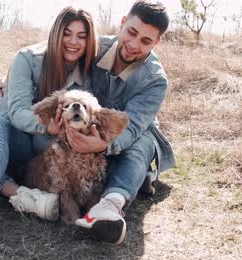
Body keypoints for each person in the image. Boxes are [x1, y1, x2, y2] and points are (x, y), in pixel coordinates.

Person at [0, 7, 98, 239]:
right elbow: (17, 112)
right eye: (67, 33)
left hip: (27, 151)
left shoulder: (86, 77)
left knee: (2, 125)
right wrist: (45, 126)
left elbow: (115, 41)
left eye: (82, 36)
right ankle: (20, 196)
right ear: (55, 33)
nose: (73, 42)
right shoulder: (28, 58)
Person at [68, 1, 174, 245]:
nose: (134, 45)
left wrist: (102, 146)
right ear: (123, 23)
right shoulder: (94, 47)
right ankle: (139, 178)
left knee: (142, 141)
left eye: (146, 41)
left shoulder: (155, 80)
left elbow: (134, 126)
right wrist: (10, 75)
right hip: (85, 129)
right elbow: (50, 53)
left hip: (129, 136)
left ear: (157, 43)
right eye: (132, 33)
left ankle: (110, 205)